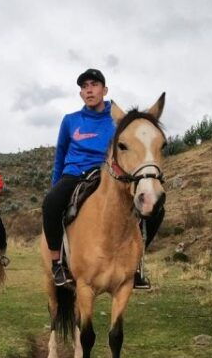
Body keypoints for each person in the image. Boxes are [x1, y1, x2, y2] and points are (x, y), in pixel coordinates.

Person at [42, 68, 164, 289]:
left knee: (156, 209)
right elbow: (60, 154)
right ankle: (57, 263)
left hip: (109, 175)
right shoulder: (70, 121)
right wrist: (56, 186)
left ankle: (135, 264)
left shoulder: (119, 120)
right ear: (81, 93)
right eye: (84, 87)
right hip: (74, 174)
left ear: (104, 90)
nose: (89, 90)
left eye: (94, 85)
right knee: (51, 203)